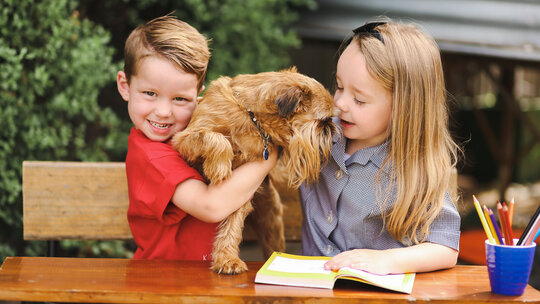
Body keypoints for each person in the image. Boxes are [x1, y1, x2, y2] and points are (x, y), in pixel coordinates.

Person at [299, 19, 461, 275]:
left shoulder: (412, 168)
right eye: (339, 86)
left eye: (360, 100)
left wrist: (388, 261)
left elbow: (445, 248)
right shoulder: (319, 134)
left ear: (404, 108)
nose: (340, 103)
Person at [116, 14, 277, 260]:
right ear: (125, 86)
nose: (163, 111)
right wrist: (268, 155)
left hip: (203, 283)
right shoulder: (150, 156)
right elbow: (211, 207)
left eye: (180, 99)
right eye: (150, 93)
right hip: (163, 285)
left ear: (197, 96)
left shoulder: (194, 130)